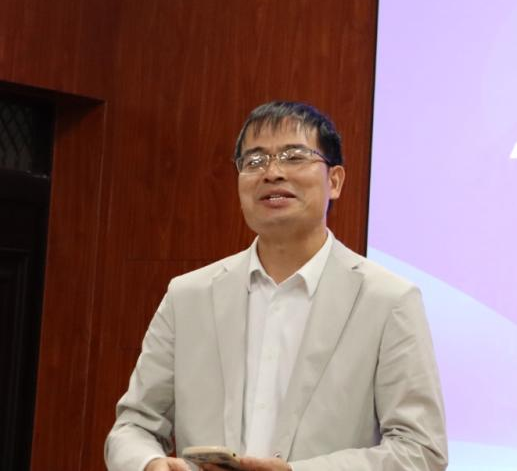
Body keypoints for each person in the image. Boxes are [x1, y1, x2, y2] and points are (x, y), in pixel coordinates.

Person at [105, 101, 447, 471]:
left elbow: (420, 450)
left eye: (294, 157)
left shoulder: (388, 300)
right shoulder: (188, 296)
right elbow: (134, 425)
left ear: (334, 181)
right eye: (254, 161)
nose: (272, 173)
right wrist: (149, 464)